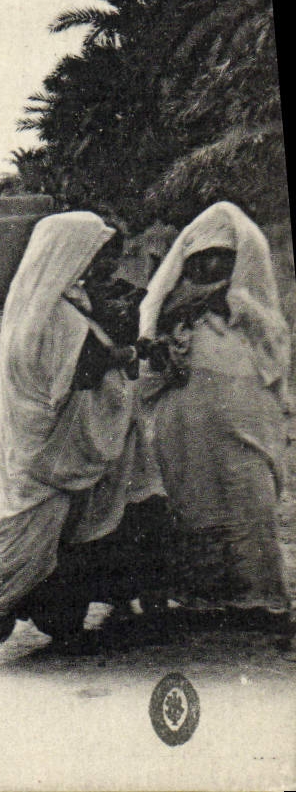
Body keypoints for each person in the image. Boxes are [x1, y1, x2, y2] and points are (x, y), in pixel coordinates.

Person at [0, 212, 166, 647]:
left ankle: (73, 608)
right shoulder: (57, 315)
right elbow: (87, 369)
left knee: (78, 521)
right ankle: (55, 610)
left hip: (64, 439)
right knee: (57, 525)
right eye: (95, 254)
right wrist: (131, 351)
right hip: (60, 445)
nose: (104, 265)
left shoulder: (45, 305)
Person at [138, 202, 291, 633]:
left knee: (249, 500)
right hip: (188, 427)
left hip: (243, 427)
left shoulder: (252, 307)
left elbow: (275, 355)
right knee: (195, 502)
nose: (208, 266)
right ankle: (204, 597)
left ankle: (261, 598)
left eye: (220, 258)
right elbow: (149, 365)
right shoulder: (171, 307)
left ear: (238, 260)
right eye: (199, 259)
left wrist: (237, 307)